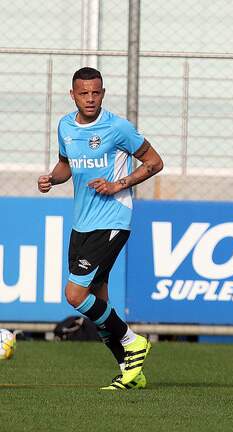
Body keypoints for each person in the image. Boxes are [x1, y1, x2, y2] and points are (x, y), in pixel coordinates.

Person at [37, 67, 163, 390]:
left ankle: (133, 341)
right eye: (84, 93)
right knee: (97, 301)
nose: (90, 99)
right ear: (73, 95)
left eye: (96, 93)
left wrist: (118, 184)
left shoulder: (118, 127)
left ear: (103, 93)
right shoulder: (65, 126)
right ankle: (129, 371)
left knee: (75, 294)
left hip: (112, 221)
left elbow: (154, 162)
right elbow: (66, 166)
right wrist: (52, 178)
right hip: (81, 223)